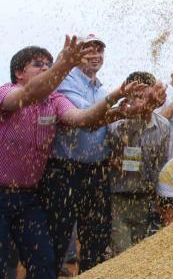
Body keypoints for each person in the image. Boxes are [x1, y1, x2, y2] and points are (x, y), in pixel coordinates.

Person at [0, 37, 149, 278]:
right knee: (5, 264)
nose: (46, 68)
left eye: (49, 64)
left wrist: (116, 104)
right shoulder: (7, 91)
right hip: (3, 193)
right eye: (38, 65)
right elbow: (27, 93)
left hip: (29, 198)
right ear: (18, 72)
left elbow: (84, 120)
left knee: (44, 263)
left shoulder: (55, 101)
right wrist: (64, 65)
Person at [40, 34, 165, 274]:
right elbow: (86, 120)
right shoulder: (64, 82)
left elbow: (103, 124)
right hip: (65, 171)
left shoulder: (100, 89)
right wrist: (118, 101)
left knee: (96, 241)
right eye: (89, 49)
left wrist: (137, 110)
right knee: (58, 238)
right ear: (75, 55)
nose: (96, 55)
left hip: (96, 172)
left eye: (100, 50)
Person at [107, 71, 170, 255]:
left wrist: (159, 198)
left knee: (141, 254)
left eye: (145, 96)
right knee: (122, 252)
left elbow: (161, 166)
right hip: (118, 198)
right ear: (126, 97)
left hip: (145, 199)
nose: (140, 102)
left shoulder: (163, 126)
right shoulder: (116, 124)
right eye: (135, 96)